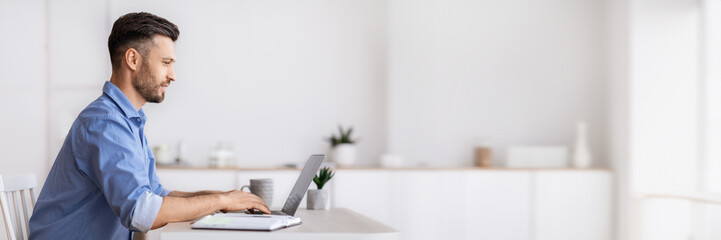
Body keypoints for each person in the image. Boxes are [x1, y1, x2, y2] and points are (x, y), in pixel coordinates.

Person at [28, 12, 270, 240]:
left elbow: (155, 195)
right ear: (133, 59)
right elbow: (143, 213)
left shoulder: (127, 120)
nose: (173, 75)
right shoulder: (106, 123)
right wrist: (220, 201)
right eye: (166, 62)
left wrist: (224, 198)